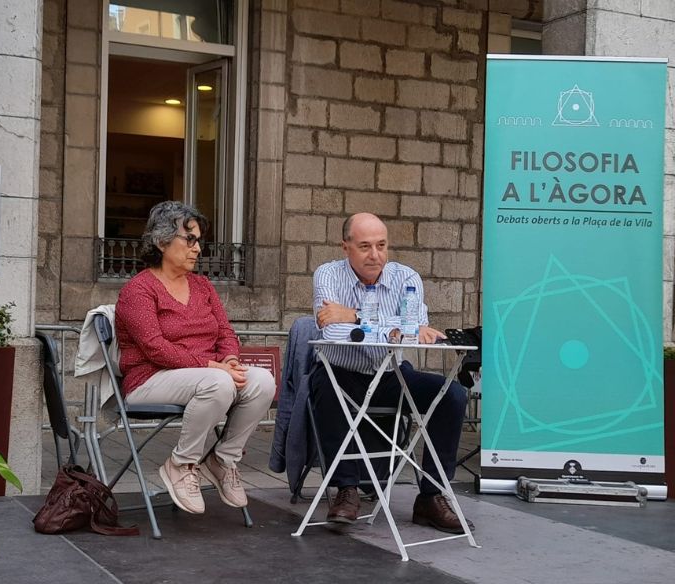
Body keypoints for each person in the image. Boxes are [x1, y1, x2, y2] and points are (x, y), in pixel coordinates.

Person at [311, 212, 473, 534]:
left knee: (452, 395)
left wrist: (355, 317)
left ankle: (431, 495)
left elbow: (416, 332)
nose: (375, 255)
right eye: (365, 247)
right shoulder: (328, 274)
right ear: (345, 247)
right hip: (340, 372)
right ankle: (346, 489)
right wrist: (394, 326)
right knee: (326, 388)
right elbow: (331, 332)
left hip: (390, 374)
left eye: (382, 245)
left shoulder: (406, 277)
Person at [115, 201, 276, 515]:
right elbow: (155, 347)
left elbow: (225, 331)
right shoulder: (139, 290)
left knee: (262, 381)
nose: (198, 248)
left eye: (199, 241)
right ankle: (181, 463)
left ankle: (222, 460)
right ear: (161, 241)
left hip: (204, 376)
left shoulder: (202, 286)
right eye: (189, 239)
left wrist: (230, 360)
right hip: (149, 379)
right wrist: (213, 366)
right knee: (218, 382)